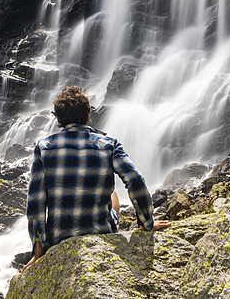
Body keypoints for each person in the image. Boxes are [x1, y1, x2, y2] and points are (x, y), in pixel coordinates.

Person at [22, 86, 170, 273]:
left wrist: (38, 249)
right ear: (87, 114)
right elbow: (135, 180)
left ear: (58, 119)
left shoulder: (43, 147)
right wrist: (147, 223)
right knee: (113, 192)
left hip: (58, 237)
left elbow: (36, 202)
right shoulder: (109, 144)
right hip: (100, 231)